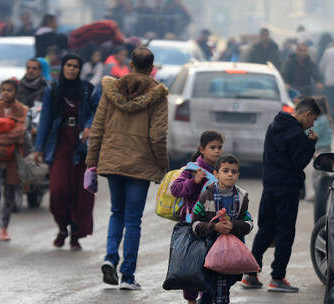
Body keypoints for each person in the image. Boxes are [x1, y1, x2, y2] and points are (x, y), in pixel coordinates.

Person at [86, 47, 169, 290]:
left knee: (117, 213)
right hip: (140, 163)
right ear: (151, 68)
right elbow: (158, 135)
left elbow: (97, 127)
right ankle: (128, 276)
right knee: (133, 220)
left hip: (112, 160)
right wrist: (161, 163)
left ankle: (110, 257)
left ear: (130, 65)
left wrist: (92, 161)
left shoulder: (111, 90)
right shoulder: (157, 94)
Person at [241, 97, 320, 292]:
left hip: (270, 186)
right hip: (288, 189)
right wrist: (311, 143)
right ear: (307, 114)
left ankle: (251, 274)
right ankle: (277, 277)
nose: (312, 124)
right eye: (313, 120)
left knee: (266, 229)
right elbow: (299, 162)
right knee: (285, 232)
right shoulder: (297, 134)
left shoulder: (274, 125)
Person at [34, 54, 100, 251]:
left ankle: (75, 235)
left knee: (81, 193)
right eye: (68, 65)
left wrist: (89, 125)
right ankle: (62, 227)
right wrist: (39, 147)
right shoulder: (52, 90)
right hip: (60, 143)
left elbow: (99, 111)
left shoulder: (87, 89)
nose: (71, 69)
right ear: (62, 67)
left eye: (75, 66)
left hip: (82, 145)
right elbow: (45, 119)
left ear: (80, 69)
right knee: (58, 190)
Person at [192, 154, 253, 304]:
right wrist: (214, 227)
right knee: (208, 289)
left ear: (238, 174)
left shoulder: (241, 198)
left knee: (225, 286)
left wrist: (233, 226)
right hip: (208, 253)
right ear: (216, 174)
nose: (230, 175)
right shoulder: (206, 196)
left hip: (230, 255)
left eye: (234, 172)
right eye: (226, 171)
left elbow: (249, 223)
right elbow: (194, 224)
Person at [171, 130, 224, 304]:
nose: (217, 151)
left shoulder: (221, 170)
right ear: (202, 149)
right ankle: (191, 299)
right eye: (212, 147)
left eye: (219, 147)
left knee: (211, 263)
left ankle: (207, 297)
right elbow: (176, 189)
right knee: (192, 263)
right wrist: (193, 182)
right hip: (192, 225)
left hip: (213, 226)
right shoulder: (193, 169)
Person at [0, 79, 28, 244]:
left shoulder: (22, 110)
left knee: (9, 195)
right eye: (3, 90)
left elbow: (19, 132)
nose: (5, 93)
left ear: (15, 92)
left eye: (9, 90)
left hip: (12, 158)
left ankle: (4, 228)